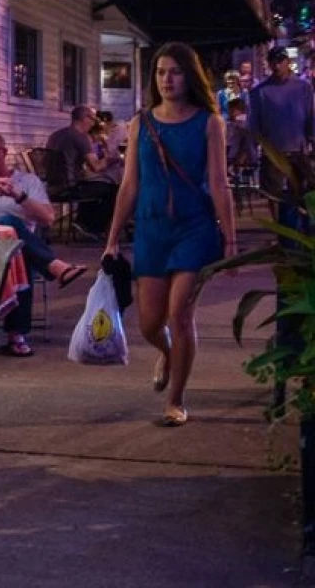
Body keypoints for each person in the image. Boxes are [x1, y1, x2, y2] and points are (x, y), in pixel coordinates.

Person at [103, 42, 236, 428]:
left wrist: (230, 241)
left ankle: (176, 399)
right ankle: (166, 351)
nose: (167, 80)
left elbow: (219, 183)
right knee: (149, 323)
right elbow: (129, 184)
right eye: (161, 72)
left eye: (175, 72)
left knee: (180, 315)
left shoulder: (209, 122)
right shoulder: (141, 123)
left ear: (190, 77)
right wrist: (112, 237)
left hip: (194, 228)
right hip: (151, 229)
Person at [0, 133, 87, 356]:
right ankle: (18, 332)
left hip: (15, 253)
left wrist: (19, 196)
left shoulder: (28, 182)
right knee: (11, 225)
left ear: (4, 153)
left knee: (15, 242)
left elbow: (48, 218)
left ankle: (16, 334)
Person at [248, 45, 315, 231]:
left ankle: (304, 231)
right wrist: (252, 152)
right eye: (273, 62)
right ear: (269, 64)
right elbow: (254, 125)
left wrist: (312, 141)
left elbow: (310, 117)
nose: (277, 66)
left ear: (287, 62)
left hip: (299, 150)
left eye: (280, 61)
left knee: (304, 193)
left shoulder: (303, 88)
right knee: (274, 195)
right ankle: (280, 232)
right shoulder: (260, 92)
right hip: (273, 153)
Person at [45, 105, 120, 237]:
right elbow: (96, 166)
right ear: (84, 118)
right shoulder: (80, 136)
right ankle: (92, 227)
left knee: (94, 184)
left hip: (52, 186)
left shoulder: (55, 135)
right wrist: (113, 159)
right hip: (69, 187)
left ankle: (82, 222)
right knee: (113, 189)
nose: (93, 124)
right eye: (92, 119)